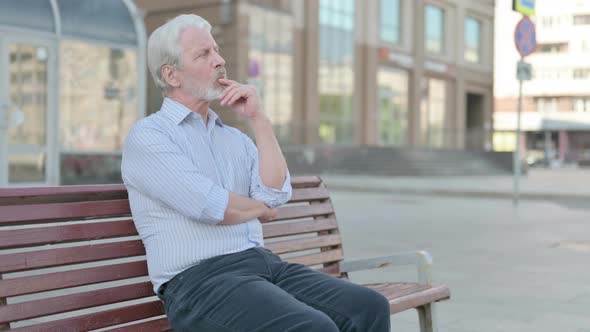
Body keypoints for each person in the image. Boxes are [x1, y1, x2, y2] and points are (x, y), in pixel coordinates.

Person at [121, 14, 390, 332]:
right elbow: (209, 204)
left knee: (369, 308)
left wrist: (259, 120)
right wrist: (258, 209)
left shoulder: (234, 138)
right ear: (172, 75)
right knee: (313, 328)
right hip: (198, 282)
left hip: (261, 265)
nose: (220, 61)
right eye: (204, 54)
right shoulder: (150, 136)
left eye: (217, 50)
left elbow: (274, 194)